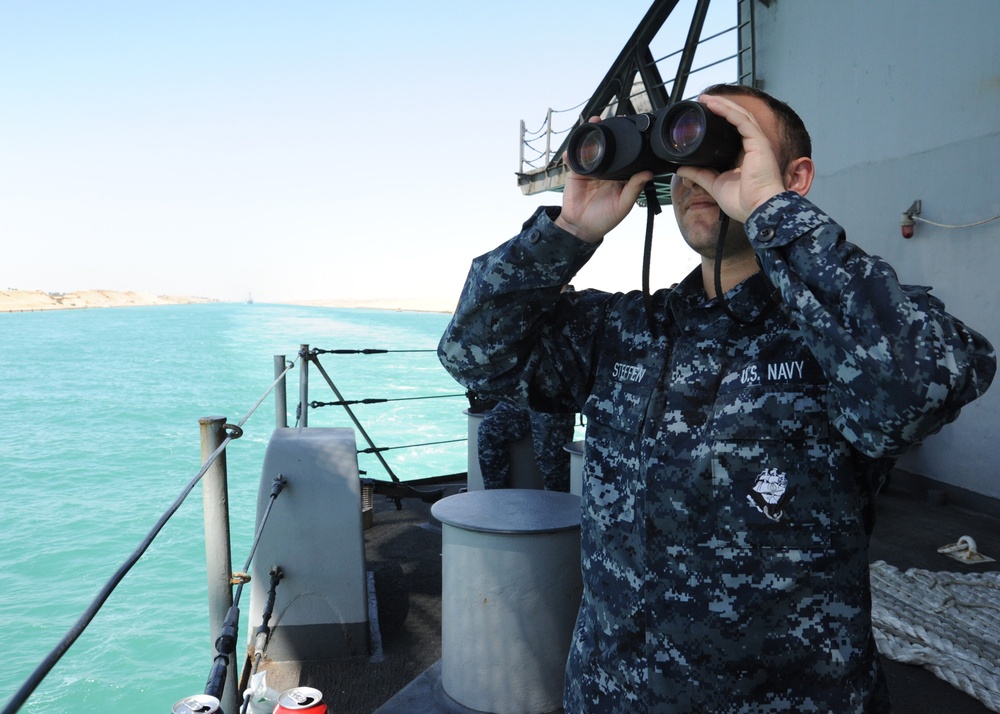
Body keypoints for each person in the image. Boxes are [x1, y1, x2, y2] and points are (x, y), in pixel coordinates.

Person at [438, 83, 996, 712]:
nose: (698, 174)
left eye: (726, 146)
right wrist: (568, 230)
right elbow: (472, 354)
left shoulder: (840, 339)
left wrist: (769, 210)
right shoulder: (618, 332)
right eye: (685, 155)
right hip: (612, 695)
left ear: (794, 178)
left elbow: (925, 380)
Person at [476, 399, 576, 491]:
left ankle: (557, 505)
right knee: (489, 429)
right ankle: (496, 497)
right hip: (523, 395)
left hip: (552, 397)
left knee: (552, 461)